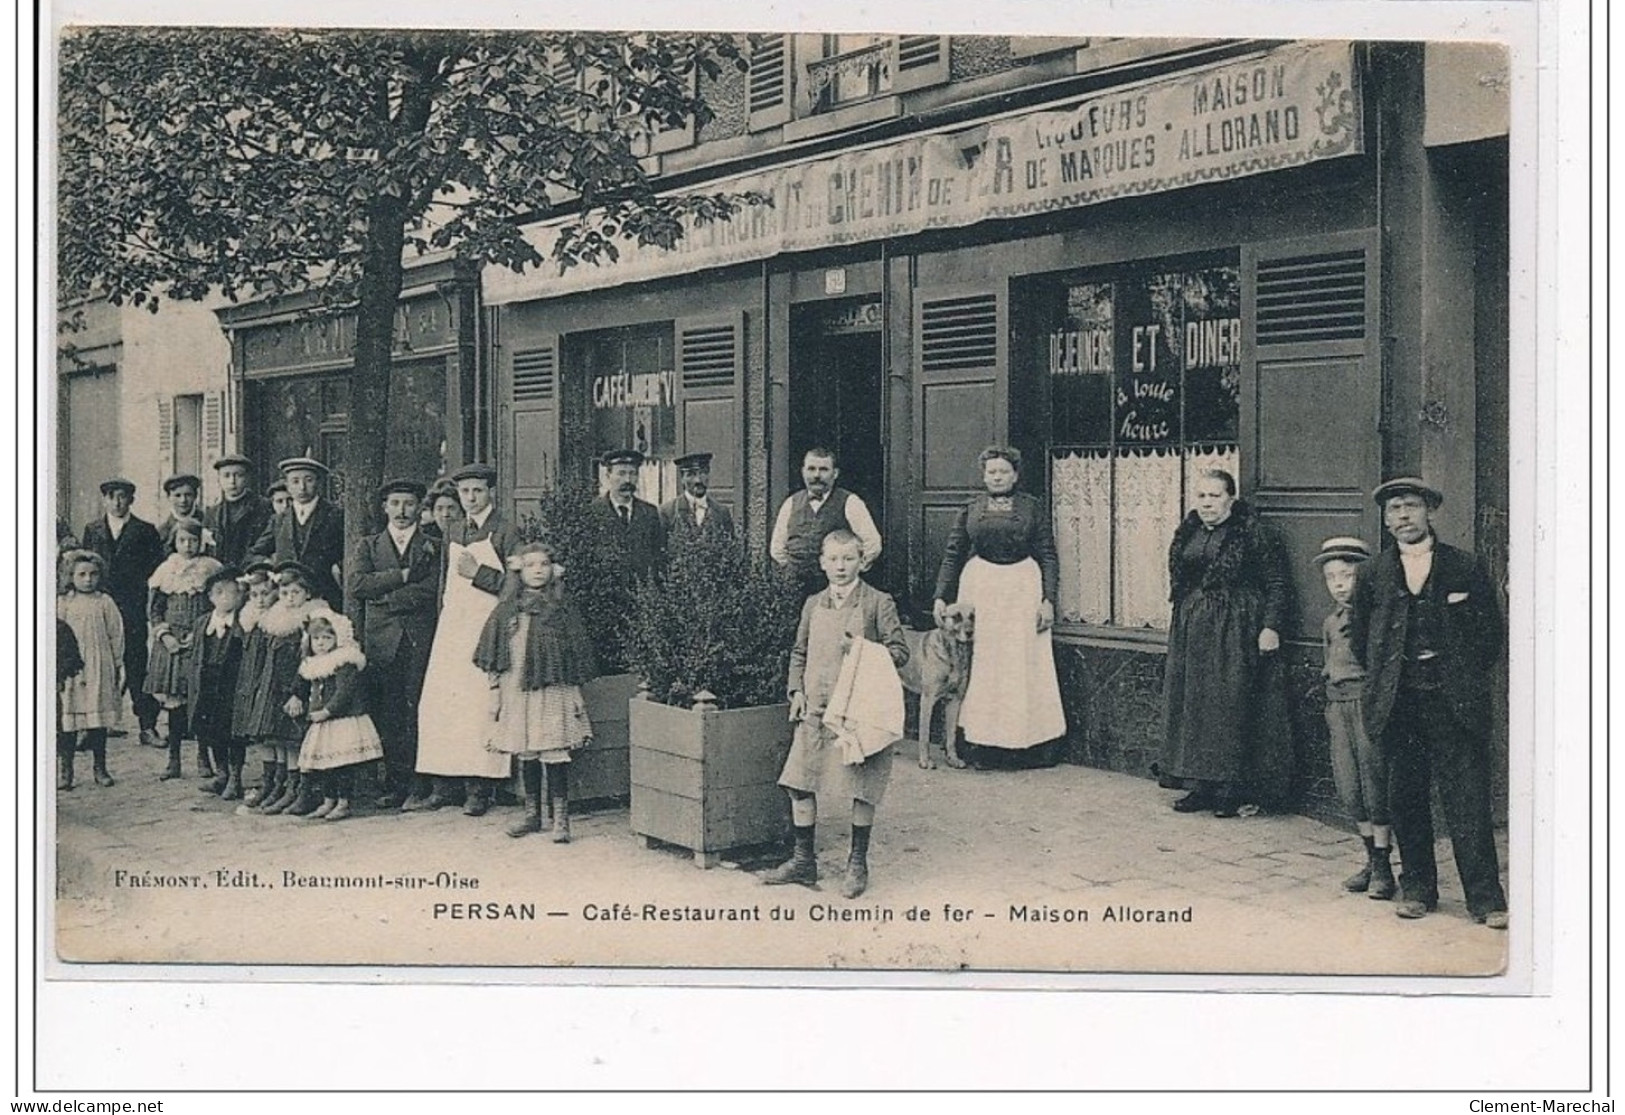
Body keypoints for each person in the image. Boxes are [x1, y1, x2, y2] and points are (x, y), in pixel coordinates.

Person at [1360, 478, 1508, 929]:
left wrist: (1458, 674)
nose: (1402, 516)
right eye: (1394, 510)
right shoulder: (1373, 572)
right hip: (1399, 701)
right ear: (1386, 521)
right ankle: (1419, 889)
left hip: (1453, 701)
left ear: (1429, 512)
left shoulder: (1464, 567)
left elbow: (1490, 634)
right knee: (1407, 797)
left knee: (1467, 800)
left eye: (1410, 507)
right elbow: (1364, 633)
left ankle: (1485, 900)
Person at [762, 530, 910, 899]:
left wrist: (862, 648)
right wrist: (795, 691)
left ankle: (857, 863)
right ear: (822, 563)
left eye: (849, 559)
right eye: (834, 560)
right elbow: (799, 652)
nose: (841, 567)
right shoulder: (813, 603)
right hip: (816, 706)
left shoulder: (878, 602)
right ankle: (803, 860)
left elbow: (900, 652)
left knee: (862, 786)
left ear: (862, 561)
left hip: (858, 710)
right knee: (800, 781)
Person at [1160, 469, 1291, 818]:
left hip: (1236, 628)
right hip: (1193, 630)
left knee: (1228, 704)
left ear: (1231, 499)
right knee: (1195, 705)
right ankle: (1200, 785)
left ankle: (1230, 789)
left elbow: (1277, 582)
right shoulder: (1190, 531)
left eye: (1214, 496)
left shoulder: (1252, 532)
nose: (1207, 503)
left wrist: (1270, 627)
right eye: (1201, 496)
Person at [932, 446, 1066, 768]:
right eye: (991, 471)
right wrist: (941, 595)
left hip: (1021, 587)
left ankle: (1027, 745)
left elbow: (1048, 554)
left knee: (1021, 664)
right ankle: (982, 744)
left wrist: (1048, 599)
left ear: (1015, 475)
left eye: (1003, 471)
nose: (997, 476)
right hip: (981, 588)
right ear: (983, 475)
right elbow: (954, 552)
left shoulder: (1032, 508)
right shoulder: (971, 508)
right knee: (985, 665)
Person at [474, 540, 598, 843]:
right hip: (516, 691)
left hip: (553, 691)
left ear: (553, 570)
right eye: (530, 565)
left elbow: (575, 657)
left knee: (553, 750)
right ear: (519, 571)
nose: (537, 570)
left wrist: (576, 694)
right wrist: (494, 694)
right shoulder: (506, 611)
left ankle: (561, 819)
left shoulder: (562, 610)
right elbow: (493, 655)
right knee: (526, 750)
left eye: (543, 564)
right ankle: (532, 814)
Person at [414, 463, 516, 816]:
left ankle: (479, 789)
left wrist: (480, 574)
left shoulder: (505, 530)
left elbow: (514, 587)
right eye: (465, 492)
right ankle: (445, 785)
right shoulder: (454, 529)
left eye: (477, 491)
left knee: (478, 706)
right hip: (453, 626)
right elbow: (446, 580)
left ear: (491, 492)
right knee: (442, 703)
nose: (471, 498)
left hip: (486, 625)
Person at [349, 478, 441, 809]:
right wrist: (402, 576)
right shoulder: (368, 546)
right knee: (387, 712)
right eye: (395, 503)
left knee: (416, 710)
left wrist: (386, 599)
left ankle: (419, 784)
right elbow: (358, 584)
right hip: (382, 640)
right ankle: (394, 784)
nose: (402, 511)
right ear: (384, 507)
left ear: (420, 508)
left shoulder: (433, 546)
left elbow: (432, 590)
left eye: (409, 504)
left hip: (418, 639)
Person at [1313, 537, 1396, 899]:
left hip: (1366, 705)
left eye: (1348, 575)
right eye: (1332, 578)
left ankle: (1383, 866)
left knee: (1376, 785)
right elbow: (1329, 663)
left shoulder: (1374, 618)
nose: (1340, 584)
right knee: (1350, 789)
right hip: (1338, 707)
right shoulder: (1331, 621)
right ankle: (1370, 858)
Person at [81, 478, 164, 746]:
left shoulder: (145, 530)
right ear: (104, 500)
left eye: (123, 497)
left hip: (132, 606)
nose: (117, 502)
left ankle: (147, 726)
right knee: (96, 665)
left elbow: (156, 569)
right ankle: (93, 728)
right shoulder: (92, 530)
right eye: (112, 497)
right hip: (99, 606)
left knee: (137, 663)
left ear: (131, 500)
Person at [145, 517, 223, 782]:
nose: (188, 545)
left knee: (200, 702)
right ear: (174, 542)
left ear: (201, 541)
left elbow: (218, 606)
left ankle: (203, 756)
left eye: (193, 540)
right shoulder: (166, 570)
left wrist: (201, 633)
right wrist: (165, 635)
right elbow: (154, 610)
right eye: (182, 540)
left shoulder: (211, 569)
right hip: (172, 644)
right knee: (175, 705)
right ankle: (174, 759)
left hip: (201, 641)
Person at [295, 607, 385, 822]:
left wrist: (327, 711)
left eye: (327, 637)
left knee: (341, 764)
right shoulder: (313, 664)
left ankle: (343, 802)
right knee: (326, 764)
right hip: (323, 721)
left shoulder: (343, 661)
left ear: (338, 638)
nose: (321, 643)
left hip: (341, 720)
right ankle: (328, 800)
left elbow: (344, 692)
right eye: (316, 638)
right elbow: (314, 693)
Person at [251, 562, 322, 815]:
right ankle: (276, 785)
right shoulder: (275, 618)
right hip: (274, 687)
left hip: (296, 687)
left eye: (295, 593)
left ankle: (298, 790)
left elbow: (309, 661)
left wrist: (297, 692)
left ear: (308, 594)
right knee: (276, 737)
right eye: (284, 593)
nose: (289, 598)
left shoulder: (310, 620)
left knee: (294, 740)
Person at [769, 448, 881, 597]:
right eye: (811, 469)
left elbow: (872, 544)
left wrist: (848, 572)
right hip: (795, 588)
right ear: (803, 472)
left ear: (835, 473)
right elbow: (777, 548)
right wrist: (792, 570)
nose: (816, 475)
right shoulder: (791, 503)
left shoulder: (850, 502)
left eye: (823, 469)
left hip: (835, 590)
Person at [57, 550, 124, 789]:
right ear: (71, 576)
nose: (88, 579)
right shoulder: (64, 602)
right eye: (82, 574)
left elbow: (116, 634)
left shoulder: (104, 602)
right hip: (72, 667)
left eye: (93, 574)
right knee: (68, 722)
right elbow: (56, 633)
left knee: (97, 719)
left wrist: (116, 663)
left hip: (98, 664)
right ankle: (66, 770)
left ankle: (100, 767)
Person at [250, 457, 345, 610]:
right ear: (287, 485)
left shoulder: (335, 515)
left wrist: (338, 568)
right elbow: (256, 553)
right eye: (295, 481)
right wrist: (268, 565)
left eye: (308, 480)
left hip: (325, 596)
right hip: (288, 598)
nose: (302, 487)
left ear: (318, 483)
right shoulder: (279, 520)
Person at [186, 565, 247, 799]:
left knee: (233, 731)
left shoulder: (242, 622)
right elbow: (195, 654)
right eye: (219, 593)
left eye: (232, 592)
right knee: (211, 729)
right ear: (210, 597)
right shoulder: (203, 622)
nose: (225, 598)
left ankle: (235, 776)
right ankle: (221, 773)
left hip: (232, 685)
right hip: (208, 683)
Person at [231, 562, 281, 809]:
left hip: (271, 679)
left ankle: (280, 783)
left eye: (265, 593)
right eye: (255, 595)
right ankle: (268, 780)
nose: (260, 600)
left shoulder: (279, 620)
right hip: (253, 679)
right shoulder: (248, 619)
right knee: (260, 733)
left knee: (275, 731)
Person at [587, 448, 666, 582]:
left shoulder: (649, 513)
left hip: (642, 594)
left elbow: (657, 556)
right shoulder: (591, 513)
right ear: (608, 476)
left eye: (633, 474)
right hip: (604, 594)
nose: (628, 480)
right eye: (621, 473)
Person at [204, 454, 274, 567]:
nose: (232, 481)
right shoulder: (212, 513)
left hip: (254, 571)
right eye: (226, 476)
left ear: (247, 478)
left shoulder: (263, 506)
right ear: (219, 480)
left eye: (238, 475)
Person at [660, 452, 735, 545]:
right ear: (682, 478)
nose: (698, 480)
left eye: (703, 473)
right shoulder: (667, 512)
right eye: (691, 474)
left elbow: (730, 550)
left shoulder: (722, 513)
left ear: (708, 475)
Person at [56, 618, 85, 791]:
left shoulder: (59, 628)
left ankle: (65, 770)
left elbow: (71, 657)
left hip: (50, 686)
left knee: (59, 728)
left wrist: (58, 675)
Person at [156, 474, 204, 552]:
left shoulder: (207, 522)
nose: (183, 500)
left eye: (188, 495)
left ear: (195, 496)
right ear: (169, 497)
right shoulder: (163, 532)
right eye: (177, 495)